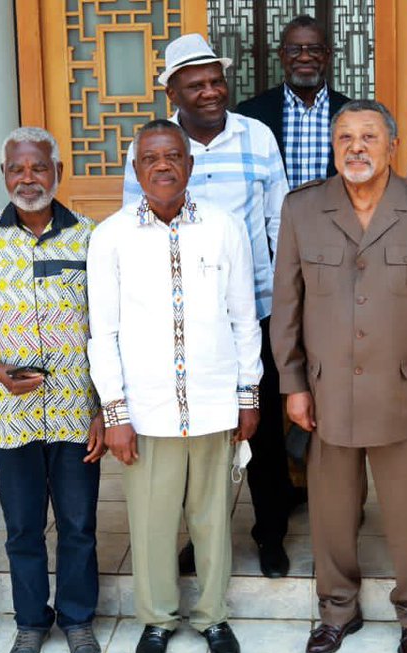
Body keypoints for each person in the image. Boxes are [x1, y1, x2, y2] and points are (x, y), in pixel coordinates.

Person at [272, 100, 407, 653]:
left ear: (392, 146)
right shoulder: (303, 209)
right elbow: (287, 306)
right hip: (326, 392)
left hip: (405, 392)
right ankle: (336, 610)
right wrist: (293, 383)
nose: (356, 147)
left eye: (369, 137)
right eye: (345, 137)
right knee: (330, 512)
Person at [91, 119, 262, 653]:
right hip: (145, 412)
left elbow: (243, 318)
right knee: (152, 522)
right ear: (136, 168)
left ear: (190, 164)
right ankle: (158, 620)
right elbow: (104, 332)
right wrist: (114, 411)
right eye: (150, 158)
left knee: (212, 519)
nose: (162, 166)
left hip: (214, 404)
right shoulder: (111, 235)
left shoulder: (223, 227)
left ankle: (213, 617)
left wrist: (248, 394)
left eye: (173, 156)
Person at [123, 33, 292, 579]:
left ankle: (271, 534)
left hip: (254, 311)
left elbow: (278, 222)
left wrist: (287, 303)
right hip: (179, 323)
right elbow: (134, 230)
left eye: (216, 80)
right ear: (172, 91)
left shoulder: (257, 137)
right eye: (195, 84)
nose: (211, 92)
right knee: (196, 437)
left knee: (259, 431)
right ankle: (201, 540)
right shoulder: (153, 146)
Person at [0, 126, 104, 653]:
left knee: (79, 522)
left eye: (38, 167)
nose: (27, 178)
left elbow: (112, 328)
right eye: (17, 169)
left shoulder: (92, 238)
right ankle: (31, 621)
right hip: (10, 412)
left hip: (77, 410)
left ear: (57, 172)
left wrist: (106, 408)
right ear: (3, 174)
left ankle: (78, 618)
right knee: (22, 526)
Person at [236, 14, 351, 189]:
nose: (304, 57)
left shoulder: (351, 113)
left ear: (327, 55)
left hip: (337, 215)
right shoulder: (251, 114)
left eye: (314, 49)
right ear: (282, 55)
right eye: (294, 50)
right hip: (274, 216)